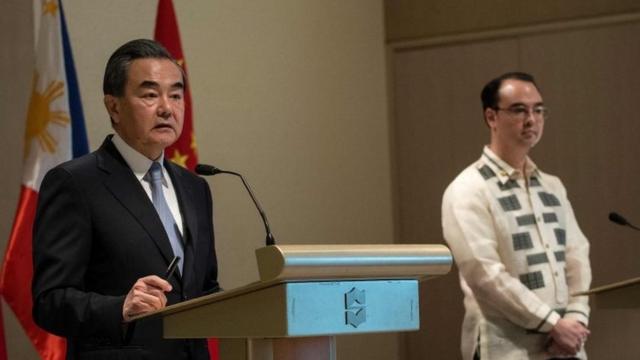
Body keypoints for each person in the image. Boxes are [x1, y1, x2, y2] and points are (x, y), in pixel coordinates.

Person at [32, 39, 219, 359]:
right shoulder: (76, 183)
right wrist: (120, 307)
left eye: (176, 95)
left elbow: (205, 288)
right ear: (113, 106)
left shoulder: (194, 187)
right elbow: (50, 302)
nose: (167, 108)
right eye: (150, 94)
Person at [441, 72, 591, 360]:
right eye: (519, 109)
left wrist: (576, 318)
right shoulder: (468, 189)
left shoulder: (552, 186)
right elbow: (484, 275)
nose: (531, 119)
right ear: (491, 117)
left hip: (567, 345)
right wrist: (553, 324)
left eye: (538, 109)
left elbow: (577, 255)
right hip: (506, 348)